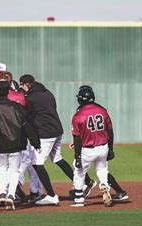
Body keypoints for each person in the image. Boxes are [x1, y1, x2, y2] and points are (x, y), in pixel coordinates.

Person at [19, 74, 95, 205]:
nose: (21, 88)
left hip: (46, 133)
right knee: (57, 159)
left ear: (26, 85)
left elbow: (28, 115)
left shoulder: (31, 97)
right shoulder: (47, 92)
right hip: (57, 130)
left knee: (37, 163)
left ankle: (51, 195)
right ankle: (83, 184)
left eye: (22, 85)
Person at [0, 81, 40, 210]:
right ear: (8, 91)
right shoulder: (17, 107)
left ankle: (2, 193)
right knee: (14, 170)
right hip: (16, 144)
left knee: (1, 169)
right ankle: (11, 195)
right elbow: (28, 126)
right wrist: (35, 142)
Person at [70, 86, 114, 207]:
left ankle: (79, 198)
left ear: (80, 100)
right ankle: (104, 185)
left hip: (87, 149)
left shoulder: (78, 115)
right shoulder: (102, 111)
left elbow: (77, 138)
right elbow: (110, 131)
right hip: (103, 147)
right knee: (102, 169)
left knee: (79, 172)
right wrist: (111, 148)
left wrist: (77, 155)